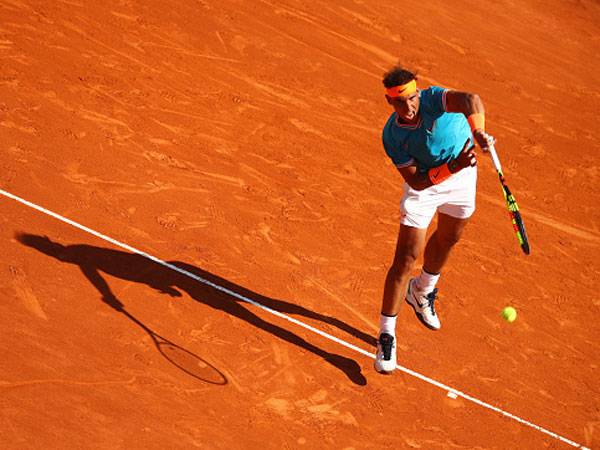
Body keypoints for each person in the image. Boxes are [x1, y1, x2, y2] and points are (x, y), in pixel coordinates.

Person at [374, 66, 496, 374]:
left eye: (413, 98)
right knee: (405, 258)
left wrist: (478, 130)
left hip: (462, 174)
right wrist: (451, 167)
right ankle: (386, 335)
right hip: (428, 186)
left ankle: (423, 290)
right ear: (391, 103)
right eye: (402, 102)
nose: (410, 106)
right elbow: (416, 182)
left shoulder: (433, 99)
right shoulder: (393, 136)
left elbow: (471, 99)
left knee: (450, 237)